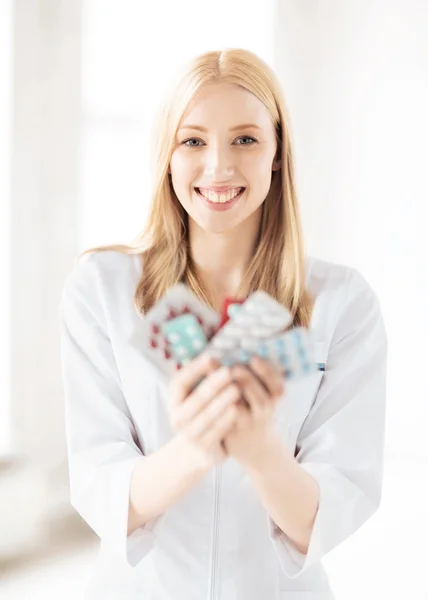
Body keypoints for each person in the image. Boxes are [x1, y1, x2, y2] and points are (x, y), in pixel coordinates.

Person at [59, 48, 388, 599]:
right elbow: (102, 488)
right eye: (193, 140)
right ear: (167, 153)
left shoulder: (340, 302)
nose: (218, 166)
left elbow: (325, 516)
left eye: (245, 139)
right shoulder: (103, 289)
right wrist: (196, 446)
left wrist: (260, 450)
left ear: (278, 151)